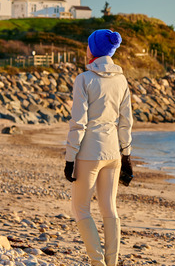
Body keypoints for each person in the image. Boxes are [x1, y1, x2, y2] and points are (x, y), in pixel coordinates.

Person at [64, 29, 133, 266]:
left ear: (94, 49)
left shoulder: (84, 79)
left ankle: (97, 263)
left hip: (89, 153)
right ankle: (111, 263)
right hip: (113, 151)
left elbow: (78, 123)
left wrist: (70, 158)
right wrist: (127, 156)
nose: (86, 48)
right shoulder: (121, 79)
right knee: (109, 209)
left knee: (80, 209)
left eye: (88, 45)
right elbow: (126, 122)